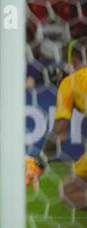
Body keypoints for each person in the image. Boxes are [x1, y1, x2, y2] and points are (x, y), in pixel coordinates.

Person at [26, 42, 86, 209]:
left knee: (69, 193)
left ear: (73, 60)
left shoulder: (71, 82)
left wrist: (40, 162)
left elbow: (59, 133)